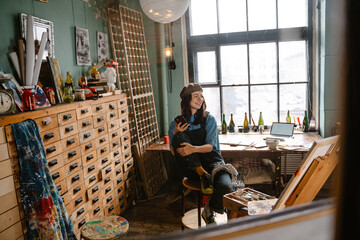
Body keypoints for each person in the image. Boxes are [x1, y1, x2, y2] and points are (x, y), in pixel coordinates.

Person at [168, 83, 236, 225]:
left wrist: (193, 149)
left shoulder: (209, 120)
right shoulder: (175, 123)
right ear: (187, 100)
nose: (200, 99)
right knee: (179, 137)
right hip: (191, 168)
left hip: (212, 163)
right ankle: (201, 174)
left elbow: (210, 147)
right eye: (196, 96)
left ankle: (208, 210)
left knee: (226, 186)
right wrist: (175, 133)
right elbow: (174, 152)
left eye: (201, 96)